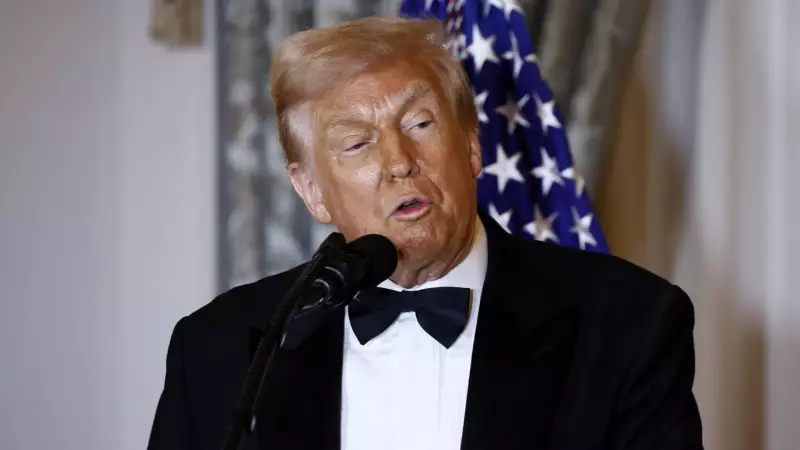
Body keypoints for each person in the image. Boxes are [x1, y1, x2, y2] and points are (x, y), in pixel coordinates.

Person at [147, 16, 703, 450]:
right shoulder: (219, 350)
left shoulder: (628, 322)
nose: (399, 162)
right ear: (311, 190)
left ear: (471, 146)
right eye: (357, 143)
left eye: (419, 123)